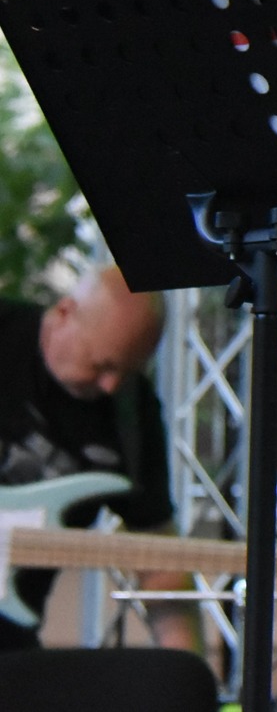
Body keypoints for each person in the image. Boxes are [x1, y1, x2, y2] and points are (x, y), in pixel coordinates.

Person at [0, 265, 177, 650]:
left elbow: (161, 564)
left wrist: (198, 685)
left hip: (11, 633)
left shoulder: (134, 415)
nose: (111, 385)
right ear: (65, 313)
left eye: (126, 372)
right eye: (102, 365)